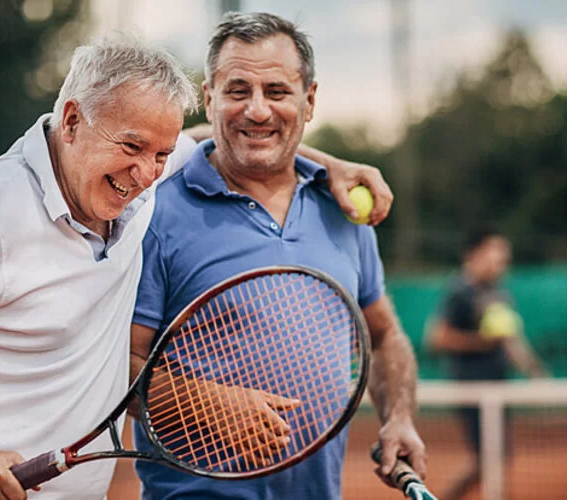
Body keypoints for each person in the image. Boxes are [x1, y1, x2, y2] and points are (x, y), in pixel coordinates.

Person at [0, 35, 393, 500]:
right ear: (72, 120)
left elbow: (227, 137)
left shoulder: (132, 187)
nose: (146, 173)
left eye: (161, 154)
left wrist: (331, 164)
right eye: (133, 147)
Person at [129, 12, 426, 500]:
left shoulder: (345, 209)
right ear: (209, 99)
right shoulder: (155, 211)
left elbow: (384, 334)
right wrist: (205, 405)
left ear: (309, 101)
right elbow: (118, 363)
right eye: (238, 91)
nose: (258, 110)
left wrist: (400, 419)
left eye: (278, 92)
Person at [427, 226, 547, 500]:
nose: (501, 263)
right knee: (490, 458)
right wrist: (483, 341)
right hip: (471, 387)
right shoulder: (459, 290)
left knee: (495, 458)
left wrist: (533, 370)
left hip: (497, 386)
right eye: (496, 255)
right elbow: (438, 338)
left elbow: (510, 340)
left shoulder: (498, 291)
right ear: (476, 254)